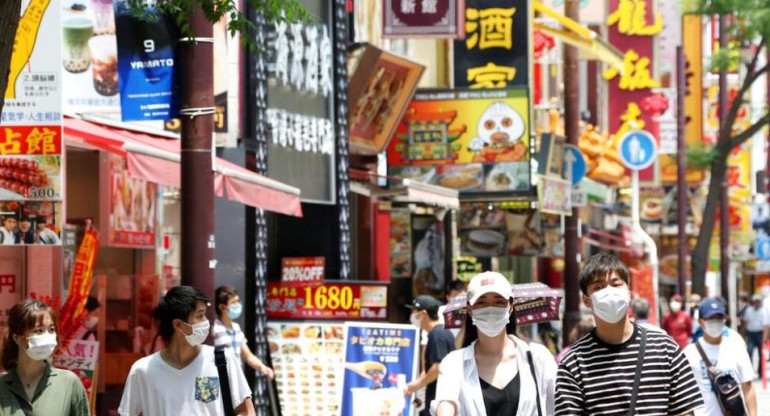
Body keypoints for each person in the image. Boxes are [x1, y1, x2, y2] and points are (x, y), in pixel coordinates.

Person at [555, 253, 703, 415]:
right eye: (599, 287)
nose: (609, 292)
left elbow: (684, 411)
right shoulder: (574, 362)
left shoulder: (665, 348)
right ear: (586, 300)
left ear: (629, 293)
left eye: (616, 284)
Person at [118, 285, 255, 416]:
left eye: (205, 315)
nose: (206, 321)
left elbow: (247, 412)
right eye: (200, 315)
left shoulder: (222, 361)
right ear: (178, 325)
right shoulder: (142, 370)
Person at [433, 271, 556, 415]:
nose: (490, 309)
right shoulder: (454, 363)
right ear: (469, 309)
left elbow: (560, 407)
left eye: (499, 301)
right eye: (481, 302)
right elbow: (446, 402)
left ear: (510, 306)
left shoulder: (538, 357)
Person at [0, 299, 89, 415]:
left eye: (51, 330)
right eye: (38, 331)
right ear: (17, 338)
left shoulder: (70, 383)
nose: (47, 337)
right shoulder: (2, 387)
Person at [683, 298, 757, 416]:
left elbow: (747, 387)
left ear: (724, 320)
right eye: (711, 319)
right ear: (701, 322)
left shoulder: (736, 348)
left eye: (719, 318)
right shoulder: (689, 353)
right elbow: (684, 393)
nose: (715, 322)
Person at [405, 295, 455, 416]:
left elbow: (437, 368)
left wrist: (416, 385)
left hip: (440, 399)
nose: (412, 316)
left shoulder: (437, 335)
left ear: (423, 314)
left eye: (413, 312)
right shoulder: (440, 332)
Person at [212, 285, 273, 379]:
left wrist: (263, 368)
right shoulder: (214, 329)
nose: (238, 305)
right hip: (218, 380)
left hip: (235, 379)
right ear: (222, 307)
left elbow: (248, 356)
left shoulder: (236, 328)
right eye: (233, 302)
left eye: (238, 301)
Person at [741, 295, 768, 377]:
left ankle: (761, 372)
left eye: (758, 301)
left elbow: (766, 325)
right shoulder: (749, 311)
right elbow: (745, 322)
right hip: (751, 334)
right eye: (755, 302)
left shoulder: (763, 311)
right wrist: (744, 332)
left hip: (759, 334)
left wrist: (765, 337)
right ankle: (749, 372)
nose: (756, 303)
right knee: (750, 352)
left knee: (761, 354)